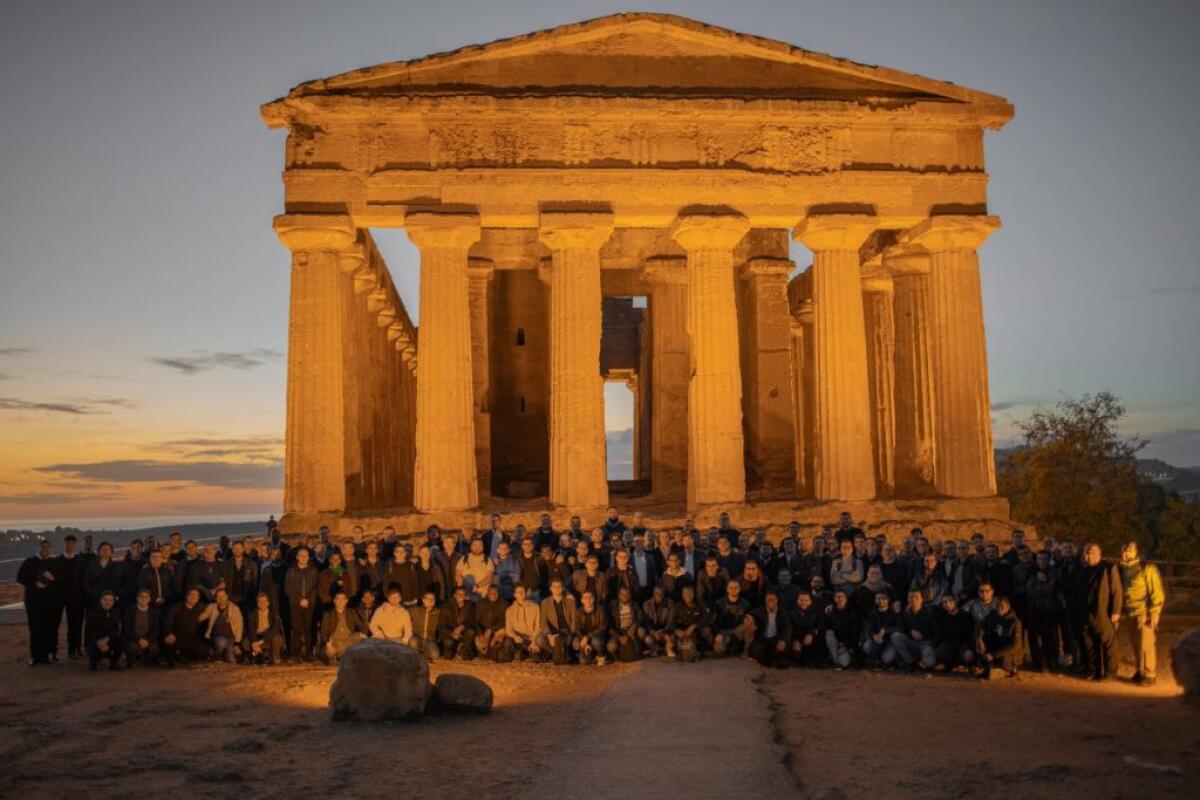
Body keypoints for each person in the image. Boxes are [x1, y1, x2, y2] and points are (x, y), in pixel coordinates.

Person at [1118, 541, 1166, 686]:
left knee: (1147, 645)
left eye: (1131, 551)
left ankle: (1150, 674)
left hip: (1143, 612)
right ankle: (1140, 671)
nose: (1128, 553)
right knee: (1136, 644)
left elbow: (1156, 592)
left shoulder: (1147, 568)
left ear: (1137, 552)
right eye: (1125, 551)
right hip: (1130, 612)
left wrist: (1155, 612)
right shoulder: (1123, 570)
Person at [1076, 543, 1122, 681]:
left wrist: (1116, 611)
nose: (1087, 555)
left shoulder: (1108, 568)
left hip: (1102, 612)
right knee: (1090, 643)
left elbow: (1116, 590)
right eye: (1086, 552)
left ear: (1098, 554)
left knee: (1108, 643)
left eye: (1090, 552)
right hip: (1086, 612)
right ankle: (1095, 671)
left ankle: (1110, 672)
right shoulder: (1083, 570)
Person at [17, 538, 61, 665]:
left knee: (50, 628)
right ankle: (35, 656)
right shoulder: (29, 562)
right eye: (43, 547)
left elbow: (60, 579)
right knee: (35, 628)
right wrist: (35, 583)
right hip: (33, 601)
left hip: (50, 601)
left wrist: (53, 578)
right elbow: (20, 578)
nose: (46, 549)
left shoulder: (54, 562)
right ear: (39, 548)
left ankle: (49, 654)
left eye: (48, 547)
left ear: (50, 548)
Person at [1025, 551, 1061, 672]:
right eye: (1040, 559)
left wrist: (1040, 585)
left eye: (1044, 559)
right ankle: (1036, 661)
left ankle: (1051, 661)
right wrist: (1043, 586)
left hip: (1048, 609)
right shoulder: (1032, 572)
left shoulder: (1053, 572)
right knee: (1033, 637)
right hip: (1034, 608)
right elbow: (1029, 591)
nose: (1042, 562)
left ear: (1048, 560)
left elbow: (1052, 589)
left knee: (1049, 637)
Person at [285, 548, 320, 661]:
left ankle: (308, 654)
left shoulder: (313, 570)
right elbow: (288, 588)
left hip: (310, 604)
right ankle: (296, 654)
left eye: (306, 555)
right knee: (296, 629)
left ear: (309, 557)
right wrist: (300, 599)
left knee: (308, 629)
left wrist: (308, 600)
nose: (303, 557)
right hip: (295, 604)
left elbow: (315, 587)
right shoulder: (291, 571)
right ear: (297, 557)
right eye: (301, 555)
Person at [58, 534, 88, 660]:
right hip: (64, 598)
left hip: (79, 598)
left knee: (79, 623)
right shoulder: (58, 560)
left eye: (72, 543)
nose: (70, 546)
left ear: (75, 545)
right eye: (68, 543)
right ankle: (71, 650)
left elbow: (84, 579)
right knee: (71, 625)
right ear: (64, 544)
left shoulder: (80, 560)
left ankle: (78, 649)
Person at [978, 595, 1023, 679]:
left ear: (1008, 607)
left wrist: (994, 655)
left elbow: (1014, 645)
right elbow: (982, 625)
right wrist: (980, 640)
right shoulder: (993, 614)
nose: (999, 608)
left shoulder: (1015, 622)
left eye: (1002, 606)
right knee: (984, 643)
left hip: (1008, 651)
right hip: (997, 646)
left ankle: (1009, 670)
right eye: (997, 605)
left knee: (1003, 662)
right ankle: (991, 667)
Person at [891, 590, 937, 671]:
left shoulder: (930, 612)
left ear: (922, 599)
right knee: (896, 636)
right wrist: (910, 631)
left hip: (926, 643)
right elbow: (902, 628)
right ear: (908, 599)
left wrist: (932, 644)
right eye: (911, 597)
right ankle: (911, 662)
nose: (914, 599)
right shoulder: (905, 613)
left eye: (916, 597)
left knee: (929, 663)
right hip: (912, 642)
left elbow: (938, 633)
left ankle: (920, 661)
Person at [162, 587, 209, 664]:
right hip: (176, 637)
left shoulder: (200, 608)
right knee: (168, 645)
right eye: (191, 594)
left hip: (191, 638)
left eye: (196, 595)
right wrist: (169, 633)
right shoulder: (176, 607)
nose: (193, 597)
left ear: (198, 598)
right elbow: (167, 622)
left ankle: (183, 655)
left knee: (204, 652)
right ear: (186, 596)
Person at [537, 578, 578, 664]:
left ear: (562, 588)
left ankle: (560, 654)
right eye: (554, 587)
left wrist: (570, 633)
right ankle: (559, 654)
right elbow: (543, 622)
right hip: (553, 632)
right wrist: (549, 635)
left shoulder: (570, 601)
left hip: (567, 631)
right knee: (540, 639)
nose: (557, 589)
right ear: (551, 588)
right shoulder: (545, 602)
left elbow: (574, 621)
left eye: (559, 587)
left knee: (576, 644)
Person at [712, 579, 754, 658]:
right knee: (719, 651)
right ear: (727, 589)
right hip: (724, 631)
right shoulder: (719, 603)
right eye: (731, 587)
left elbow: (748, 620)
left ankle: (746, 651)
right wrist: (718, 634)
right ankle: (730, 647)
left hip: (738, 631)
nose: (733, 590)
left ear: (739, 589)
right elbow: (713, 621)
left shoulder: (746, 604)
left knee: (750, 625)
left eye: (736, 588)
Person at [200, 587, 243, 664]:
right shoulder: (212, 607)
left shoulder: (234, 608)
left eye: (223, 596)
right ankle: (217, 655)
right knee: (220, 642)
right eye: (218, 597)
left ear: (226, 596)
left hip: (231, 638)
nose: (221, 599)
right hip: (217, 635)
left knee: (231, 660)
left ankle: (218, 655)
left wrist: (237, 642)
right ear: (215, 597)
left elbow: (239, 625)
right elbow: (202, 617)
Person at [749, 590, 791, 668]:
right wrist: (750, 619)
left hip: (776, 638)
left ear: (777, 600)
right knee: (757, 652)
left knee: (782, 664)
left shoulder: (783, 613)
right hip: (763, 638)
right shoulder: (760, 611)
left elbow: (787, 629)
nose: (770, 602)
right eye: (768, 600)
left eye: (773, 600)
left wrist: (783, 641)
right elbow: (748, 615)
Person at [933, 594, 976, 670]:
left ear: (955, 602)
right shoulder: (941, 616)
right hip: (948, 643)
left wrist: (970, 648)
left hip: (963, 643)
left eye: (950, 601)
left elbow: (970, 635)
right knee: (937, 654)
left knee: (968, 656)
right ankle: (953, 665)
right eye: (944, 602)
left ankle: (960, 665)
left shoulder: (965, 615)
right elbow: (940, 635)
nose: (947, 604)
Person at [321, 591, 367, 661]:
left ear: (346, 601)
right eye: (338, 599)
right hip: (334, 642)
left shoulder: (352, 612)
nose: (340, 601)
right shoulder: (328, 614)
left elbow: (361, 626)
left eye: (343, 599)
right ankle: (341, 653)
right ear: (334, 601)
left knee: (358, 636)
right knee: (330, 652)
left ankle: (339, 653)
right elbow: (324, 632)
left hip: (349, 641)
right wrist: (327, 642)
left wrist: (362, 632)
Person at [669, 584, 710, 662]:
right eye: (686, 593)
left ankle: (705, 651)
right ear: (683, 595)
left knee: (707, 630)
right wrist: (677, 631)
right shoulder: (677, 606)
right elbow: (671, 623)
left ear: (694, 594)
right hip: (683, 632)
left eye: (691, 593)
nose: (689, 595)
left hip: (697, 630)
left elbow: (707, 618)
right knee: (671, 638)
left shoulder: (700, 603)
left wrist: (694, 626)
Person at [501, 584, 542, 662]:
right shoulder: (510, 610)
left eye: (522, 591)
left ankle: (524, 652)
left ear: (525, 593)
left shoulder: (535, 607)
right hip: (518, 638)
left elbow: (538, 627)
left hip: (530, 638)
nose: (520, 594)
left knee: (536, 659)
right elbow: (509, 629)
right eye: (518, 592)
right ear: (514, 594)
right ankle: (520, 652)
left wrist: (534, 641)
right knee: (507, 642)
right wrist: (515, 636)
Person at [85, 590, 122, 671]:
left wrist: (107, 639)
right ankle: (93, 663)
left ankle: (114, 663)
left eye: (110, 600)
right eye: (105, 600)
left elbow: (116, 630)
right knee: (92, 647)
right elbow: (89, 633)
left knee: (121, 640)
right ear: (101, 600)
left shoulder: (116, 613)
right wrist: (99, 642)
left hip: (109, 641)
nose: (108, 602)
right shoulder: (93, 614)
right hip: (96, 642)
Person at [122, 588, 161, 667]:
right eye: (141, 597)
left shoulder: (153, 612)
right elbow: (126, 628)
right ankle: (131, 660)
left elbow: (156, 629)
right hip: (134, 638)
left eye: (146, 597)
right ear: (137, 598)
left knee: (154, 648)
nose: (143, 599)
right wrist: (139, 639)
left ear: (149, 599)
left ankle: (147, 659)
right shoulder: (130, 610)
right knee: (131, 647)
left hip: (148, 639)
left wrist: (147, 640)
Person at [244, 592, 285, 665]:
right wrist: (254, 642)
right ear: (257, 603)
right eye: (260, 602)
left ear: (268, 603)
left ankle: (275, 655)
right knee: (246, 642)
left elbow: (275, 629)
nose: (262, 603)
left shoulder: (274, 613)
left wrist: (261, 641)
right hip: (257, 636)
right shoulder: (252, 613)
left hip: (268, 636)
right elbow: (251, 629)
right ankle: (254, 656)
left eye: (264, 601)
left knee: (277, 638)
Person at [863, 591, 901, 667]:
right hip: (877, 640)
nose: (881, 601)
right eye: (879, 599)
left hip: (889, 641)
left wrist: (885, 630)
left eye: (884, 599)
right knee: (867, 646)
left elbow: (900, 627)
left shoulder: (893, 612)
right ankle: (876, 658)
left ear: (888, 600)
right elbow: (870, 628)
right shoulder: (873, 613)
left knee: (887, 659)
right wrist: (874, 636)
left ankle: (893, 658)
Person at [822, 589, 859, 669]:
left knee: (844, 663)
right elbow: (826, 627)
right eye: (837, 597)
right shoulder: (830, 611)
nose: (840, 599)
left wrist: (845, 645)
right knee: (829, 633)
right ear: (834, 599)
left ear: (846, 598)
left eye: (842, 596)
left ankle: (838, 659)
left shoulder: (852, 612)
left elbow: (856, 632)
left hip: (847, 643)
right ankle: (835, 661)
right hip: (835, 642)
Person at [607, 586, 642, 662]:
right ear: (619, 595)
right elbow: (609, 627)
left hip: (631, 631)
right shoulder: (613, 606)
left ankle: (639, 650)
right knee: (611, 646)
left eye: (627, 594)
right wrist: (619, 637)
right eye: (622, 594)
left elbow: (641, 618)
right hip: (619, 632)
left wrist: (634, 625)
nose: (625, 596)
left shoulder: (634, 604)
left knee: (641, 631)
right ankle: (616, 655)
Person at [639, 585, 673, 657]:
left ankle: (664, 649)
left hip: (664, 631)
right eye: (657, 593)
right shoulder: (646, 604)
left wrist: (662, 631)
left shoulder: (670, 603)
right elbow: (646, 621)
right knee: (646, 637)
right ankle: (655, 649)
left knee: (670, 639)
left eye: (661, 593)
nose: (659, 595)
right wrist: (652, 632)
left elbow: (670, 621)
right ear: (653, 594)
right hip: (652, 632)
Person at [410, 591, 443, 660]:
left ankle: (422, 654)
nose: (431, 601)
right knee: (413, 642)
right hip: (417, 637)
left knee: (435, 655)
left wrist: (438, 639)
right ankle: (417, 655)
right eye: (428, 598)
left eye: (433, 599)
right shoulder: (415, 610)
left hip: (430, 639)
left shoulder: (438, 612)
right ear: (423, 600)